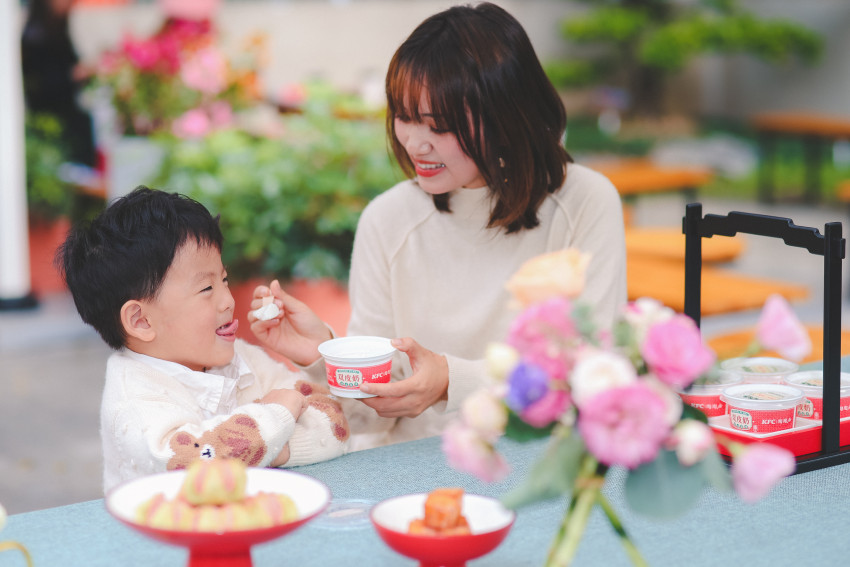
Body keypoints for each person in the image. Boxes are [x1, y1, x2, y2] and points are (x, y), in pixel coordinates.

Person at [255, 2, 627, 452]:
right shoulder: (388, 219)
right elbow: (366, 412)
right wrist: (323, 355)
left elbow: (596, 373)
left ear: (507, 117)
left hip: (545, 459)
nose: (414, 142)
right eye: (405, 117)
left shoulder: (585, 202)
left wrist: (453, 380)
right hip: (414, 468)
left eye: (439, 125)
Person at [58, 187, 348, 492]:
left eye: (223, 279)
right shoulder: (134, 400)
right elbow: (189, 463)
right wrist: (277, 417)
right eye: (206, 289)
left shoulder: (243, 359)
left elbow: (333, 420)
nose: (227, 300)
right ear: (141, 320)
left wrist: (264, 449)